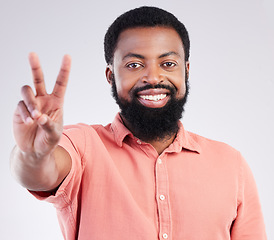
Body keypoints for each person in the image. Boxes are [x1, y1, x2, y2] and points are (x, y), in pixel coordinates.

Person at [10, 6, 267, 240]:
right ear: (111, 76)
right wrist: (33, 155)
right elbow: (41, 173)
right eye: (134, 64)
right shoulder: (83, 145)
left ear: (186, 71)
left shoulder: (231, 164)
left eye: (168, 64)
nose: (153, 77)